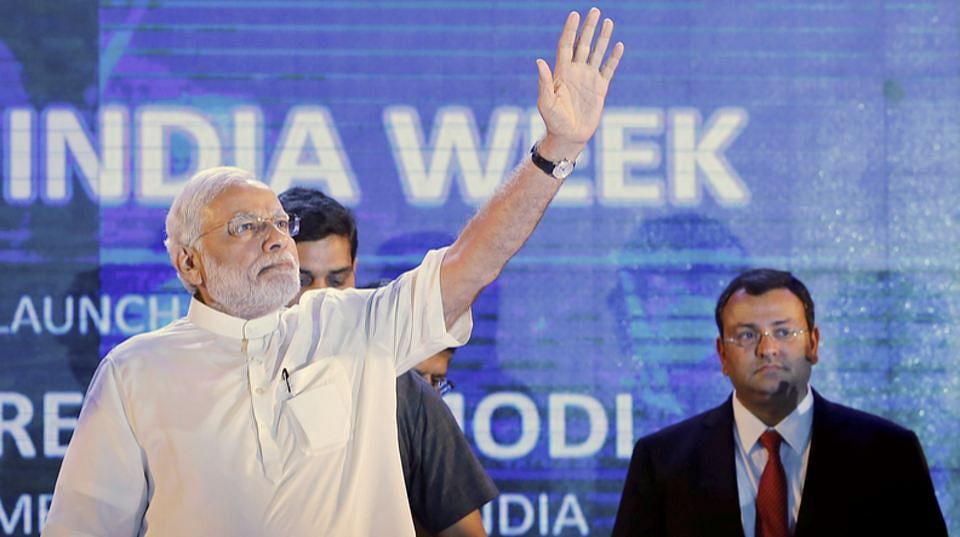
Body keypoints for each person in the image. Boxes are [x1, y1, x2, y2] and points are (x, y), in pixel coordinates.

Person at [43, 8, 623, 536]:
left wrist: (556, 149)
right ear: (187, 261)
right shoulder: (134, 373)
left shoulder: (357, 326)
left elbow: (475, 259)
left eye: (279, 224)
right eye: (246, 226)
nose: (274, 237)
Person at [612, 268, 948, 537]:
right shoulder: (662, 462)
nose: (767, 349)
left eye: (784, 332)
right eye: (746, 335)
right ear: (722, 355)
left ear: (814, 344)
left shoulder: (888, 454)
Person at [279, 186, 497, 536]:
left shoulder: (402, 387)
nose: (321, 298)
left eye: (338, 280)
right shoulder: (232, 372)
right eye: (302, 280)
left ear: (355, 270)